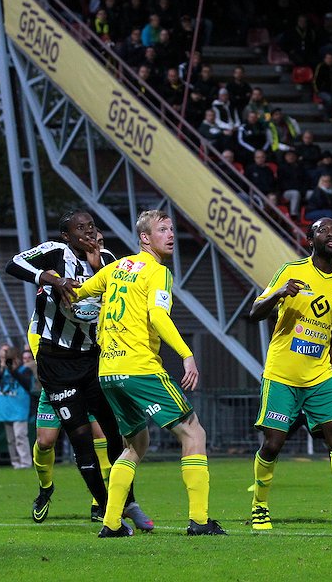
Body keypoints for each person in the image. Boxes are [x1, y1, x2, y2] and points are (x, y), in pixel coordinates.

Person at [74, 210, 225, 537]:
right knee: (193, 433)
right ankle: (200, 521)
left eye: (171, 229)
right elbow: (157, 315)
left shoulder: (115, 268)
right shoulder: (157, 272)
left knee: (135, 444)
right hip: (140, 367)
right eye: (162, 229)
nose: (170, 235)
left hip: (109, 371)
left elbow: (78, 292)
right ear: (145, 238)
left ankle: (112, 523)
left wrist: (52, 282)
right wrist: (186, 355)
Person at [5, 211, 152, 530]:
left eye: (92, 227)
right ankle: (67, 496)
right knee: (66, 440)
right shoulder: (54, 253)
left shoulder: (109, 259)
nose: (88, 232)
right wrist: (54, 280)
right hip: (56, 363)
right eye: (80, 228)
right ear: (66, 236)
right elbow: (13, 264)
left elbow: (121, 298)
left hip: (93, 360)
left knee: (113, 433)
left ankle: (125, 504)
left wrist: (98, 270)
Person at [247, 218, 332, 531]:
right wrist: (279, 293)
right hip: (282, 373)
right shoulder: (291, 271)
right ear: (310, 239)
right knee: (273, 442)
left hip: (319, 375)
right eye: (322, 230)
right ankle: (259, 506)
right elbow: (255, 312)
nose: (331, 233)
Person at [0, 346, 34, 469]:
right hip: (6, 409)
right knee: (11, 439)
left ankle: (25, 462)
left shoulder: (25, 370)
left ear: (17, 359)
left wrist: (13, 370)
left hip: (19, 408)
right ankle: (16, 463)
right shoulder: (3, 371)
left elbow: (27, 384)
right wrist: (2, 369)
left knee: (20, 436)